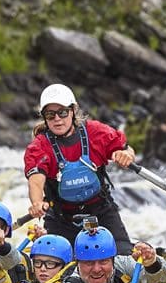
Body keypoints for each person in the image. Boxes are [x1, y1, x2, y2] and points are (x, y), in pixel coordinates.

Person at [24, 83, 137, 255]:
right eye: (50, 114)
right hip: (61, 220)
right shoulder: (39, 146)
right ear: (44, 117)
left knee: (125, 259)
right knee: (55, 263)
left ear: (73, 110)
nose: (57, 119)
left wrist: (126, 154)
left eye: (62, 112)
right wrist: (37, 203)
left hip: (102, 213)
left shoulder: (97, 132)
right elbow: (36, 182)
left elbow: (127, 150)